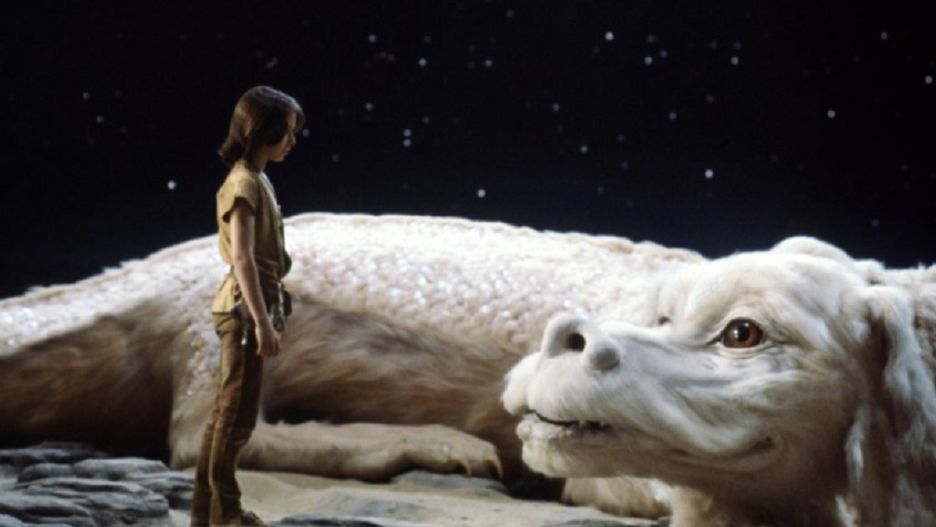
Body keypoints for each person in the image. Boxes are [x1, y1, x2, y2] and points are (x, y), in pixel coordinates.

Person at [191, 85, 304, 526]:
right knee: (233, 419)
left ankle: (206, 514)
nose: (292, 141)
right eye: (286, 131)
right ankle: (226, 514)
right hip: (241, 311)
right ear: (262, 130)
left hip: (248, 307)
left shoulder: (257, 180)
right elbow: (242, 258)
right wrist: (260, 322)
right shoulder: (242, 184)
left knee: (227, 414)